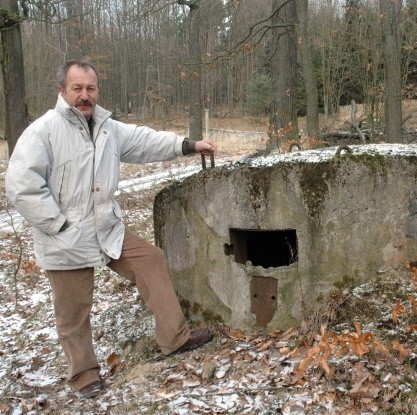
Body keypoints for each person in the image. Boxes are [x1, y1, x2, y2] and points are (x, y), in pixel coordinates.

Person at [5, 60, 215, 399]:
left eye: (90, 88)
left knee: (151, 260)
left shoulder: (106, 127)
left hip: (106, 227)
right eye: (77, 88)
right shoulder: (42, 132)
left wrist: (189, 146)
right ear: (63, 91)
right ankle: (84, 375)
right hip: (65, 236)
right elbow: (22, 187)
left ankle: (174, 338)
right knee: (74, 311)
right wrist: (57, 224)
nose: (85, 96)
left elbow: (146, 142)